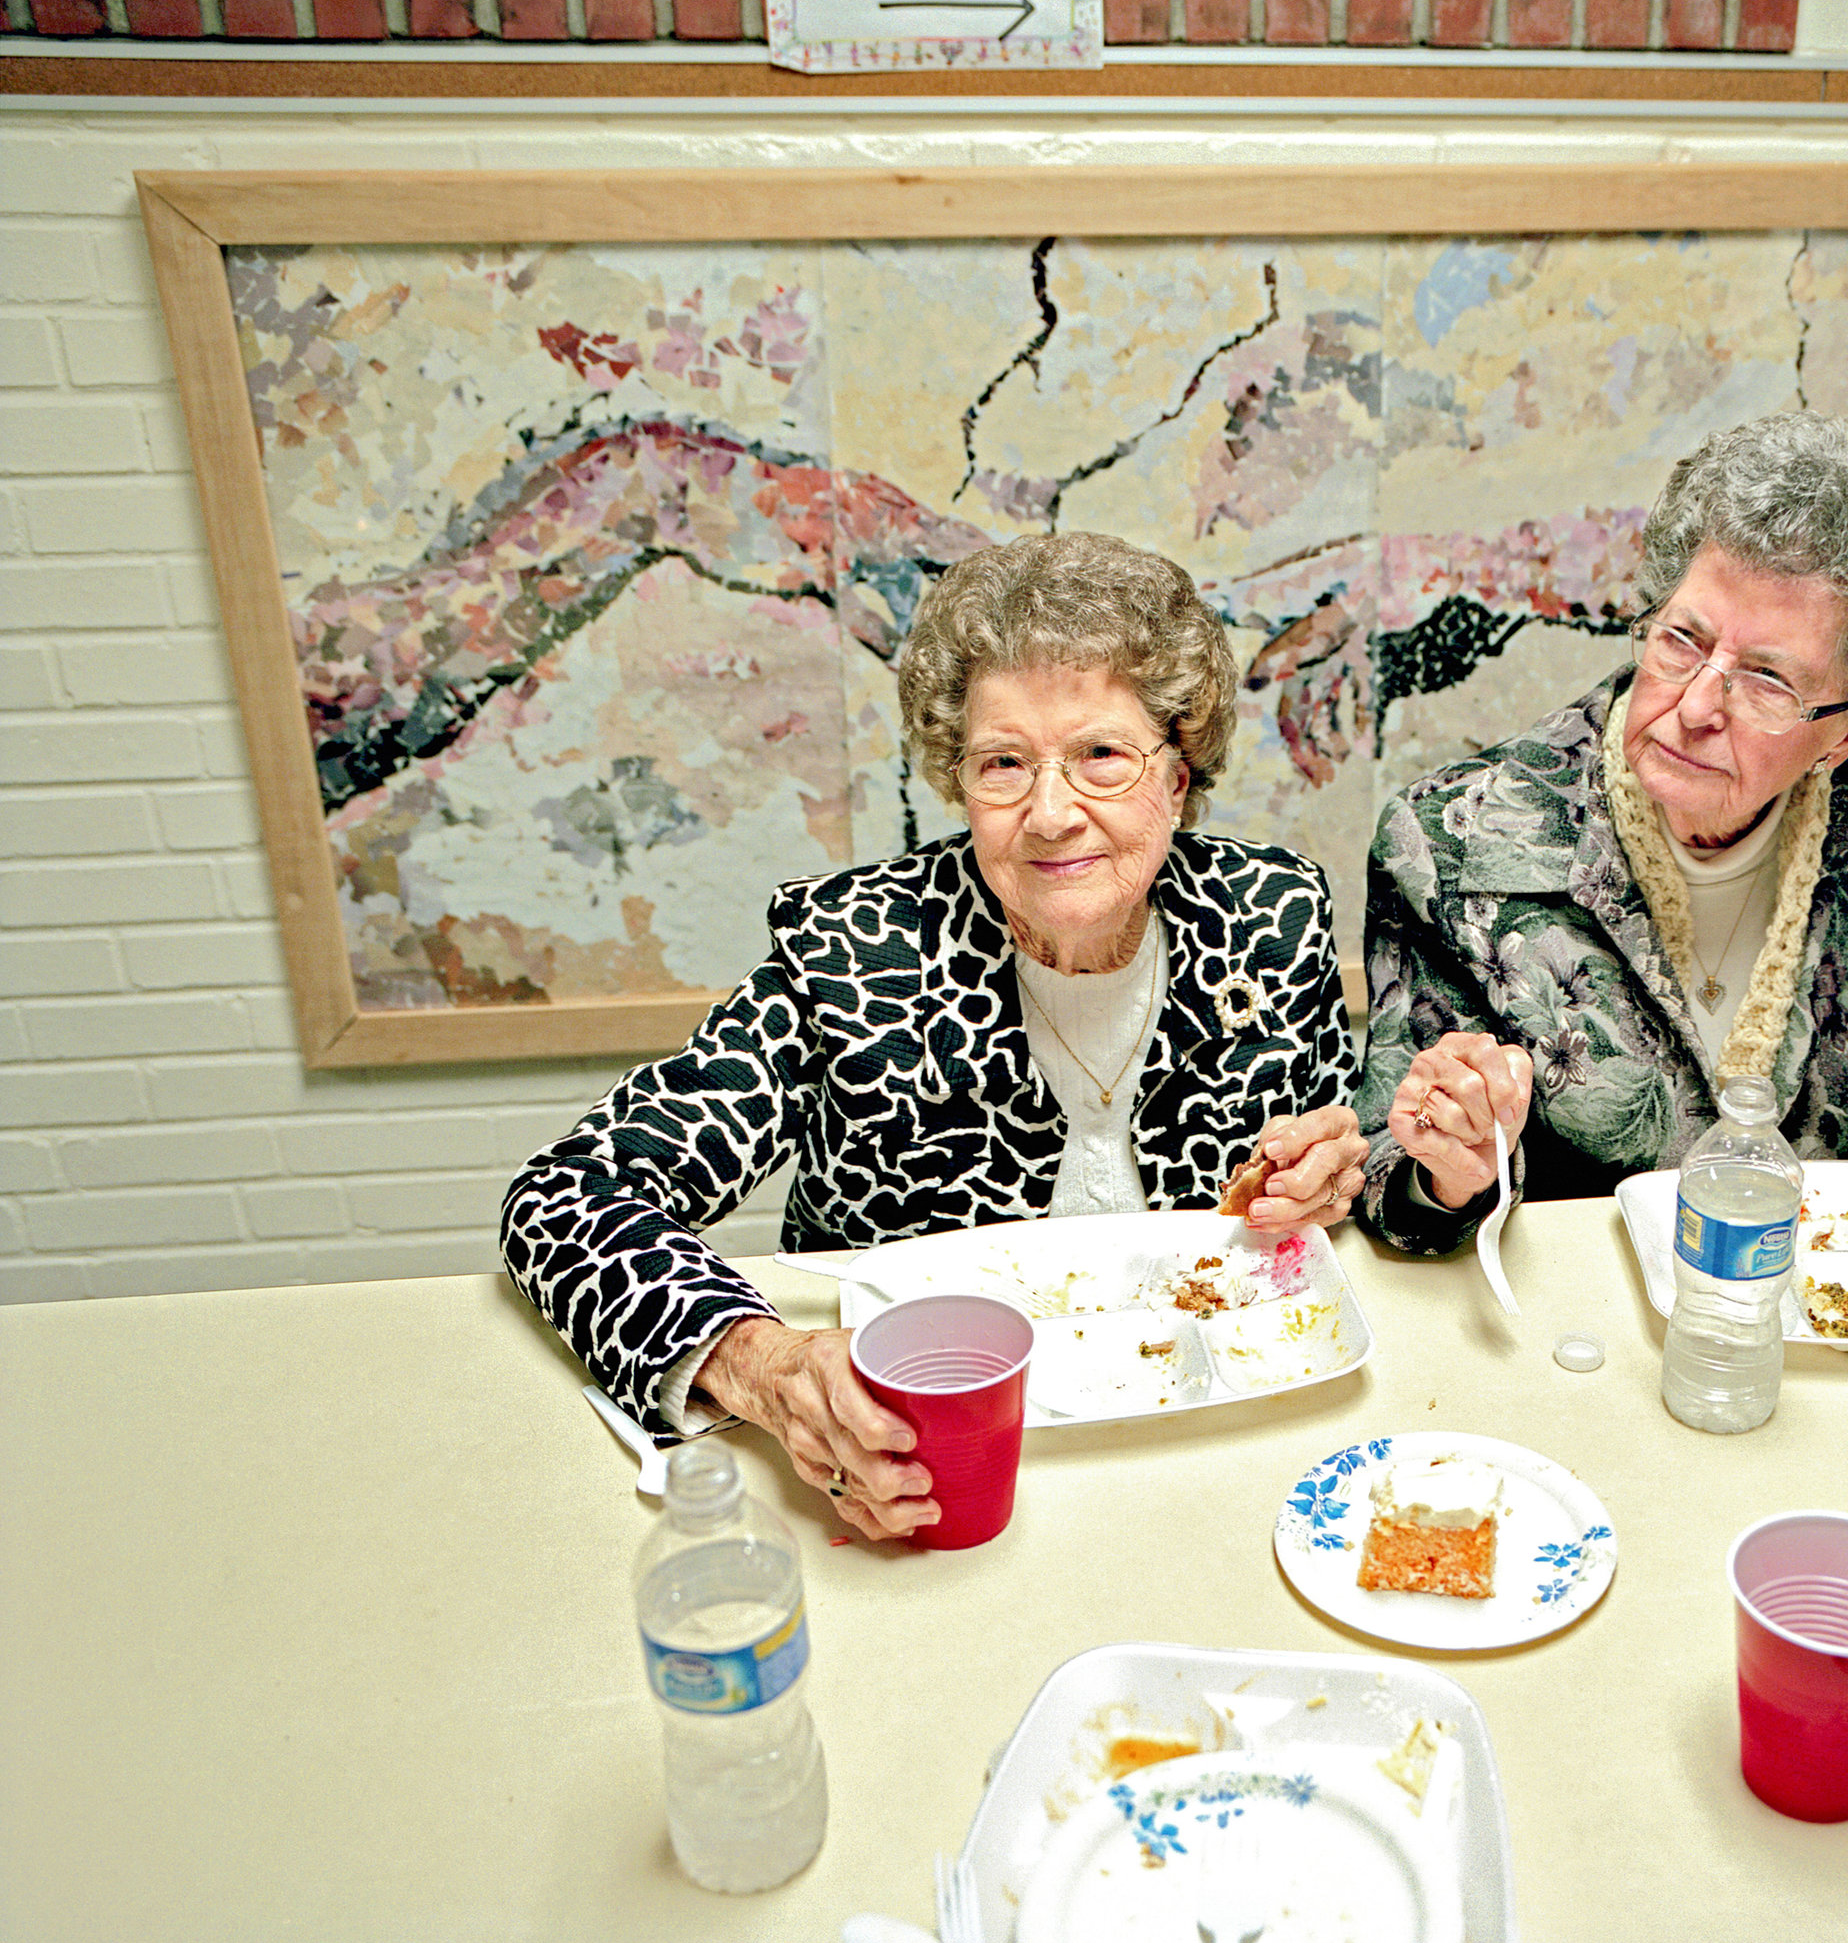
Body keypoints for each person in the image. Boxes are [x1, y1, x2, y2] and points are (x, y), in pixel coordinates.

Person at [504, 532, 1366, 1536]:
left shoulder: (1268, 914)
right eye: (1004, 763)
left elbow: (1304, 1187)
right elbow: (566, 1197)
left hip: (1208, 1455)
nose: (1050, 813)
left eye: (1100, 756)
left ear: (1177, 773)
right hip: (924, 1479)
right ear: (959, 784)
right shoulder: (851, 953)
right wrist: (766, 1364)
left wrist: (1322, 1180)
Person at [1355, 410, 1848, 1255]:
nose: (1694, 707)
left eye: (1766, 681)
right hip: (1566, 1333)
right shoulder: (1455, 840)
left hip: (1810, 1325)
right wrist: (1450, 1171)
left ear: (1847, 732)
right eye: (1682, 639)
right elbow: (1392, 1184)